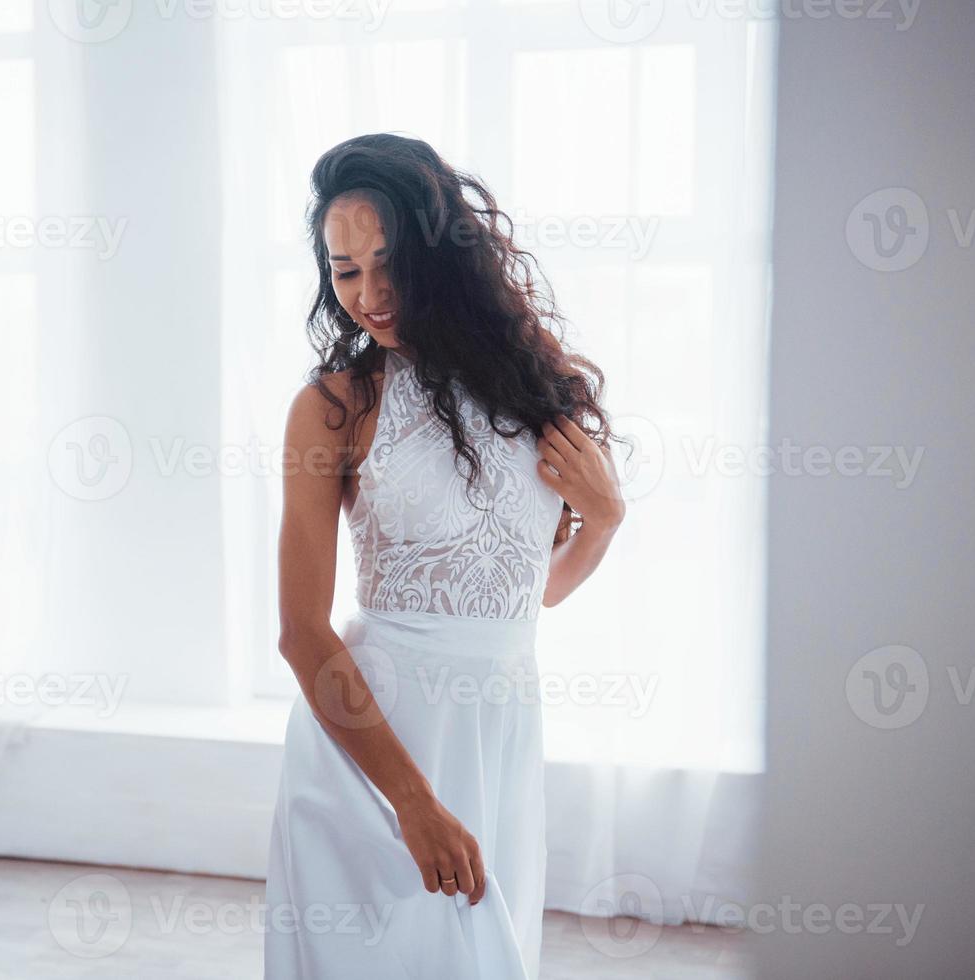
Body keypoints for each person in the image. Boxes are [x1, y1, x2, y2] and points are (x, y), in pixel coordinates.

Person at [264, 132, 627, 979]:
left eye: (387, 262)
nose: (368, 294)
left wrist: (605, 521)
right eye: (345, 271)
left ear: (442, 253)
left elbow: (519, 596)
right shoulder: (333, 408)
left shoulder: (537, 392)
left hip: (495, 737)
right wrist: (415, 804)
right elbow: (300, 632)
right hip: (374, 758)